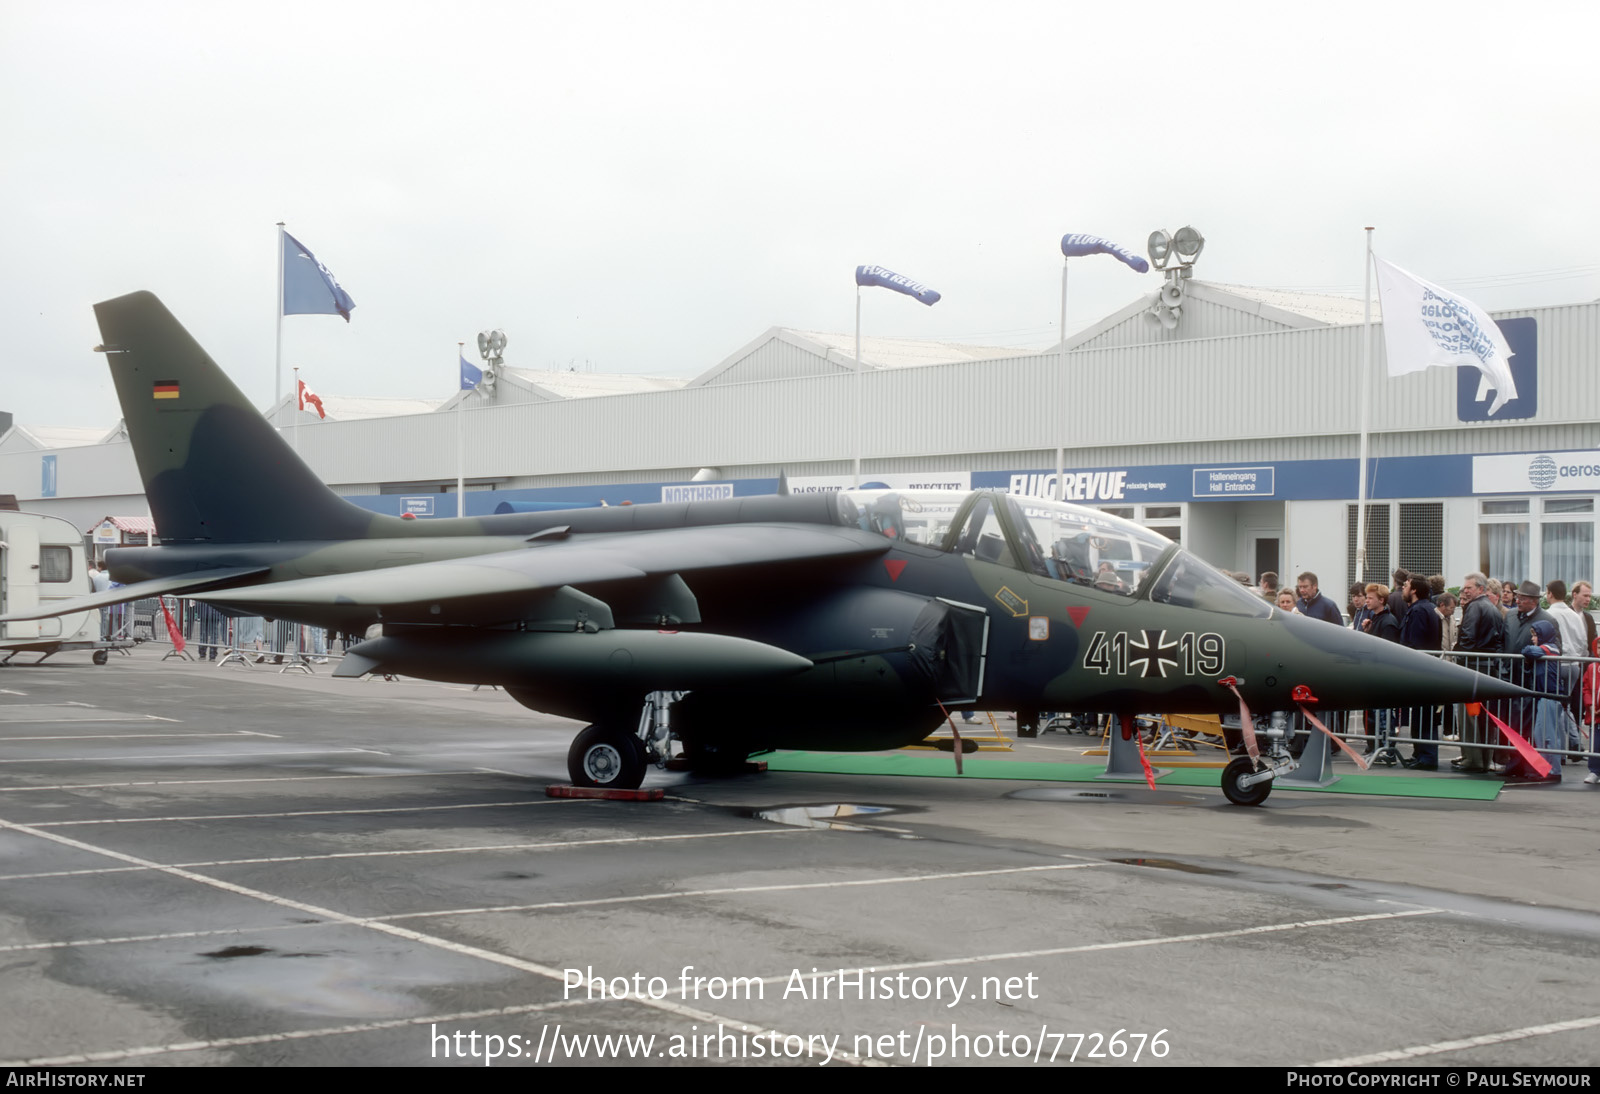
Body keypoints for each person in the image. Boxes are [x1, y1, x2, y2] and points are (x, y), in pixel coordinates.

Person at [1499, 582, 1553, 779]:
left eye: (1521, 598)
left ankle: (1529, 765)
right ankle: (1514, 764)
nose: (1517, 600)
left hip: (1531, 682)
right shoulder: (1511, 616)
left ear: (1533, 601)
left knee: (1530, 726)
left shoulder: (1547, 620)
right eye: (1517, 596)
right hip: (1510, 678)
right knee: (1512, 723)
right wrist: (1503, 665)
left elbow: (1554, 650)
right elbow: (1502, 642)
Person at [1453, 572, 1505, 773]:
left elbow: (1468, 637)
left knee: (1469, 716)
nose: (1465, 591)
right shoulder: (1492, 608)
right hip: (1487, 667)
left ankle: (1472, 759)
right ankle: (1483, 759)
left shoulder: (1475, 607)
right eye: (1464, 587)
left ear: (1481, 589)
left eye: (1469, 588)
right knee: (1483, 717)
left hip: (1472, 666)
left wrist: (1458, 658)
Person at [1399, 576, 1443, 769]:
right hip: (1427, 669)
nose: (1403, 588)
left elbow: (1415, 643)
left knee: (1423, 716)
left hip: (1420, 670)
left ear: (1414, 590)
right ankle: (1420, 754)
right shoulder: (1427, 608)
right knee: (1422, 715)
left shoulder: (1418, 611)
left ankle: (1426, 756)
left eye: (1406, 585)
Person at [1517, 620, 1566, 783]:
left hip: (1550, 696)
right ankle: (1549, 768)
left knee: (1546, 734)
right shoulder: (1548, 648)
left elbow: (1530, 651)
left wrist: (1526, 651)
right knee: (1544, 733)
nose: (1533, 639)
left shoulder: (1550, 648)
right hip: (1546, 695)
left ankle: (1551, 769)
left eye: (1535, 635)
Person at [1364, 583, 1401, 763]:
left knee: (1384, 716)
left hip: (1382, 676)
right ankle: (1379, 747)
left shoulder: (1388, 622)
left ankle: (1387, 750)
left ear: (1381, 600)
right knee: (1377, 715)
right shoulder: (1376, 619)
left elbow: (1388, 651)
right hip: (1374, 676)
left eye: (1370, 598)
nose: (1366, 601)